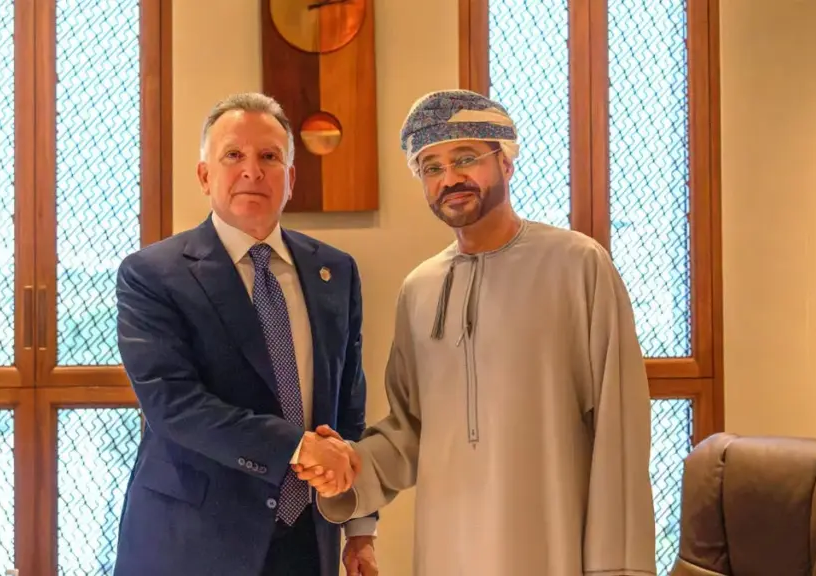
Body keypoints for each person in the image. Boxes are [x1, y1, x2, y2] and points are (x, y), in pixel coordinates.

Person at [295, 89, 657, 575]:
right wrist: (352, 468)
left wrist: (618, 566)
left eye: (466, 159)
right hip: (448, 549)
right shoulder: (420, 289)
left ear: (506, 163)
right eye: (432, 167)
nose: (450, 179)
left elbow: (618, 428)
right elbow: (410, 430)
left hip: (552, 548)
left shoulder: (577, 266)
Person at [113, 92, 379, 576]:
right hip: (193, 541)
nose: (252, 171)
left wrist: (359, 526)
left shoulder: (335, 271)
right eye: (233, 155)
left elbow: (348, 408)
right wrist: (297, 446)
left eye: (269, 157)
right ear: (204, 175)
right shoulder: (152, 275)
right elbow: (174, 405)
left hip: (308, 538)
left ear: (290, 179)